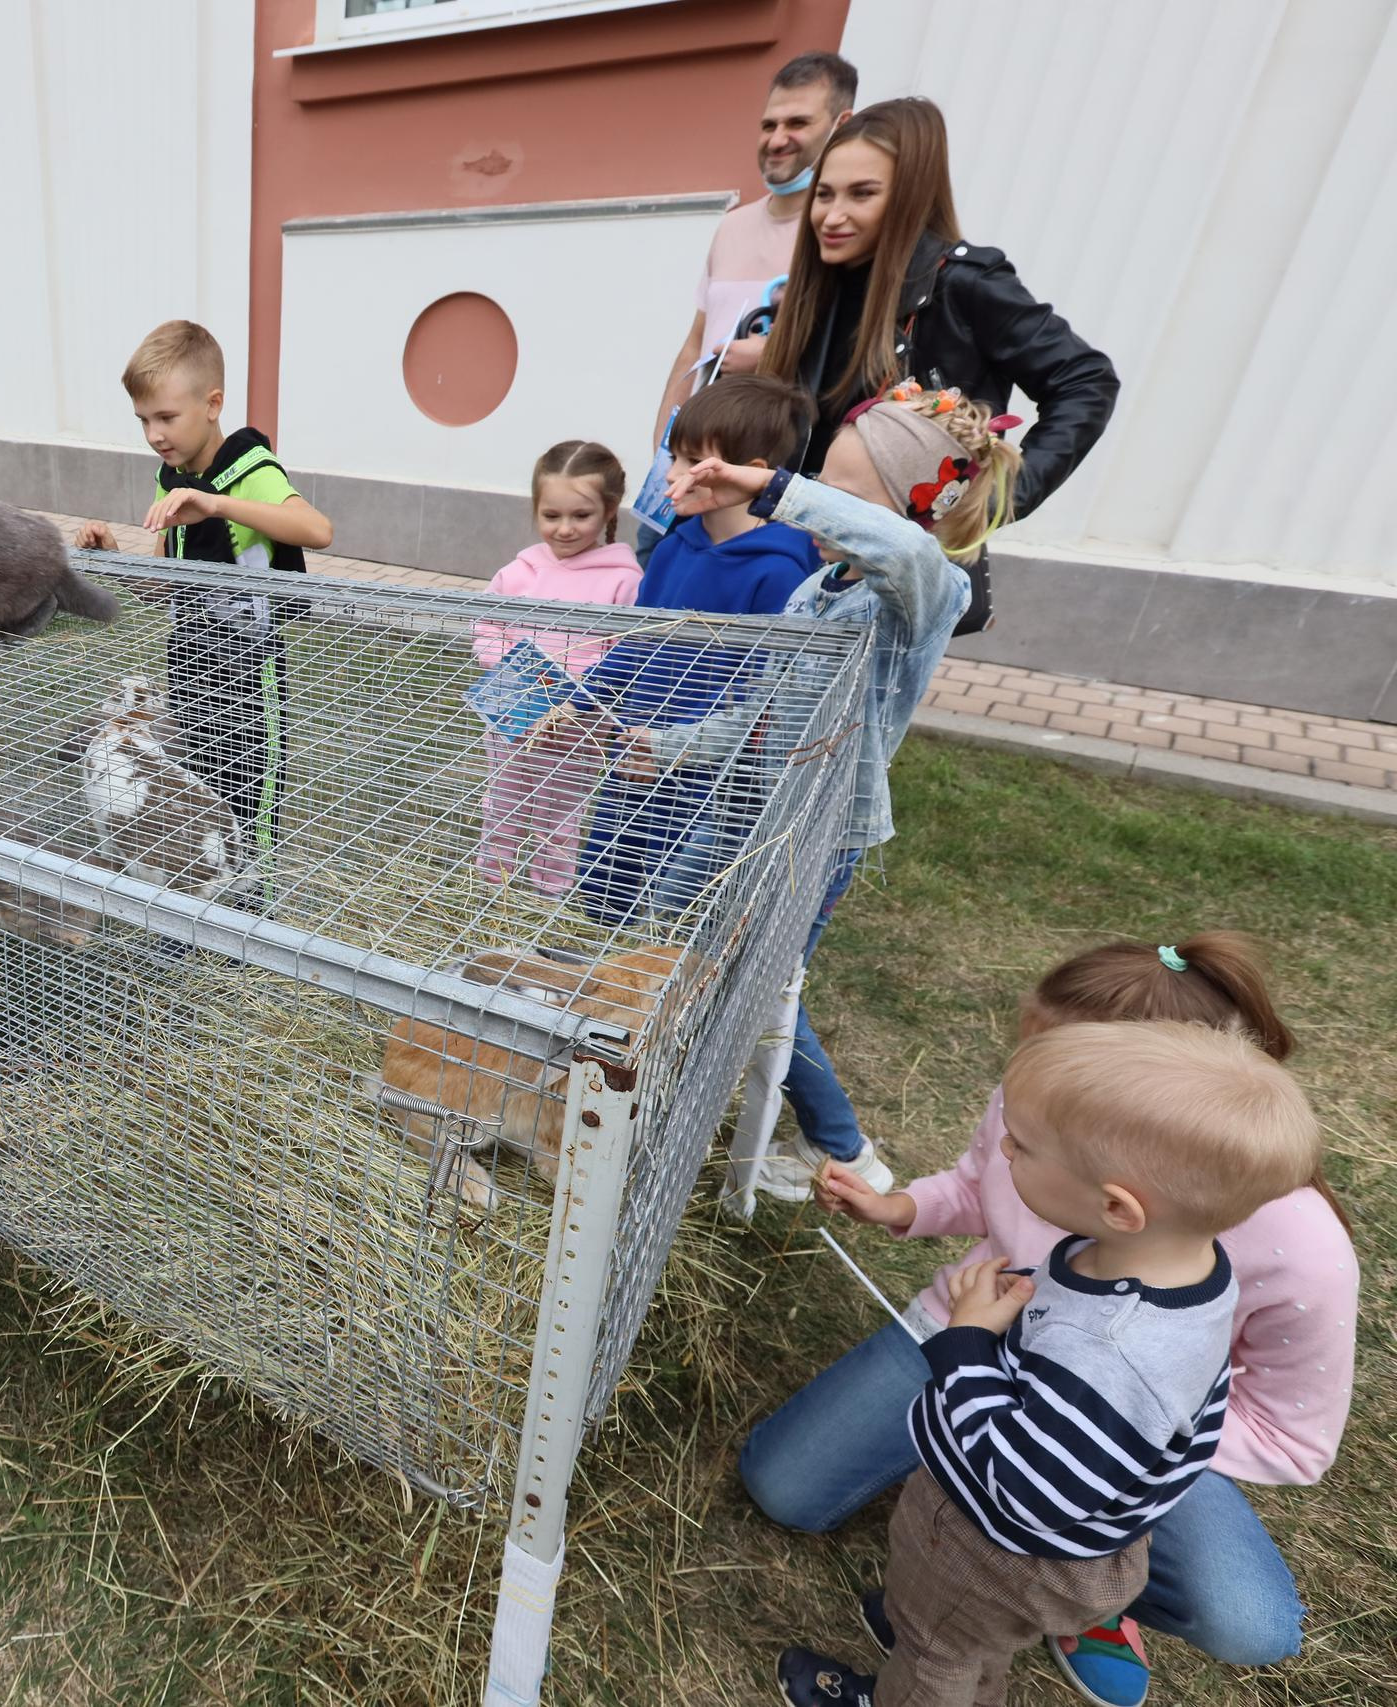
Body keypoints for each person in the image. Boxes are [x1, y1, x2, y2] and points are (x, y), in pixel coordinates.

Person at [749, 934, 1356, 1707]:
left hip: (1089, 1425)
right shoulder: (1060, 1116)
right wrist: (900, 1208)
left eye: (1026, 1142)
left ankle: (1062, 1595)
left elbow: (1278, 1437)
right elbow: (977, 1183)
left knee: (1235, 1620)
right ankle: (1042, 1590)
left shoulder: (1296, 1254)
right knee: (786, 1485)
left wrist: (1106, 1451)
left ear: (1123, 1187)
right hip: (1006, 1359)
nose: (1007, 1131)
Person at [628, 381, 1010, 1193]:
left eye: (844, 492)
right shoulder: (813, 591)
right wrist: (662, 748)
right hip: (746, 804)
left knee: (761, 983)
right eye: (819, 479)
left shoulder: (922, 592)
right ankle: (670, 1073)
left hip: (815, 829)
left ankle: (840, 1145)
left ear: (911, 508)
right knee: (675, 919)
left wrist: (774, 488)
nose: (816, 500)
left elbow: (905, 551)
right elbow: (760, 713)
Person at [759, 97, 1118, 634]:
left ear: (909, 196)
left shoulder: (963, 283)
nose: (831, 216)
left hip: (888, 579)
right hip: (802, 553)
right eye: (825, 194)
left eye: (863, 194)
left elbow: (1087, 380)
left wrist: (990, 501)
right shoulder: (820, 289)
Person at [75, 321, 335, 861]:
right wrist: (113, 559)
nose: (154, 434)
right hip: (189, 664)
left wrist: (215, 503)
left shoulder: (251, 469)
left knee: (252, 805)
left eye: (167, 417)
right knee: (197, 800)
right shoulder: (169, 477)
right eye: (144, 420)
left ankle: (255, 901)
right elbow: (161, 585)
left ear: (213, 404)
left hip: (249, 671)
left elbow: (318, 530)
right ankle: (199, 899)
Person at [575, 376, 820, 925]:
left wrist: (676, 747)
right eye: (673, 457)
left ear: (747, 470)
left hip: (702, 770)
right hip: (632, 745)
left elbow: (762, 694)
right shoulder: (672, 548)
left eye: (689, 460)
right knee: (606, 889)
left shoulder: (779, 572)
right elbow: (638, 637)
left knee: (670, 908)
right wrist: (586, 698)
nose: (670, 474)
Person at [650, 51, 858, 444]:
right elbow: (694, 346)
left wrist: (773, 356)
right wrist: (664, 446)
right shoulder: (732, 225)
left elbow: (853, 354)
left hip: (777, 458)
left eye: (797, 123)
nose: (776, 140)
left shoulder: (842, 234)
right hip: (700, 453)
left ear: (841, 126)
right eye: (768, 125)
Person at [468, 441, 642, 894]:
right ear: (535, 510)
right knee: (503, 799)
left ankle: (550, 890)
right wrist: (508, 665)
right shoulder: (518, 572)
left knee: (562, 811)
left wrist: (578, 692)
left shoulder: (624, 580)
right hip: (512, 711)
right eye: (551, 515)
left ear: (609, 510)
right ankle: (493, 882)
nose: (565, 529)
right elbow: (486, 623)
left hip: (575, 724)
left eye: (580, 516)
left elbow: (626, 651)